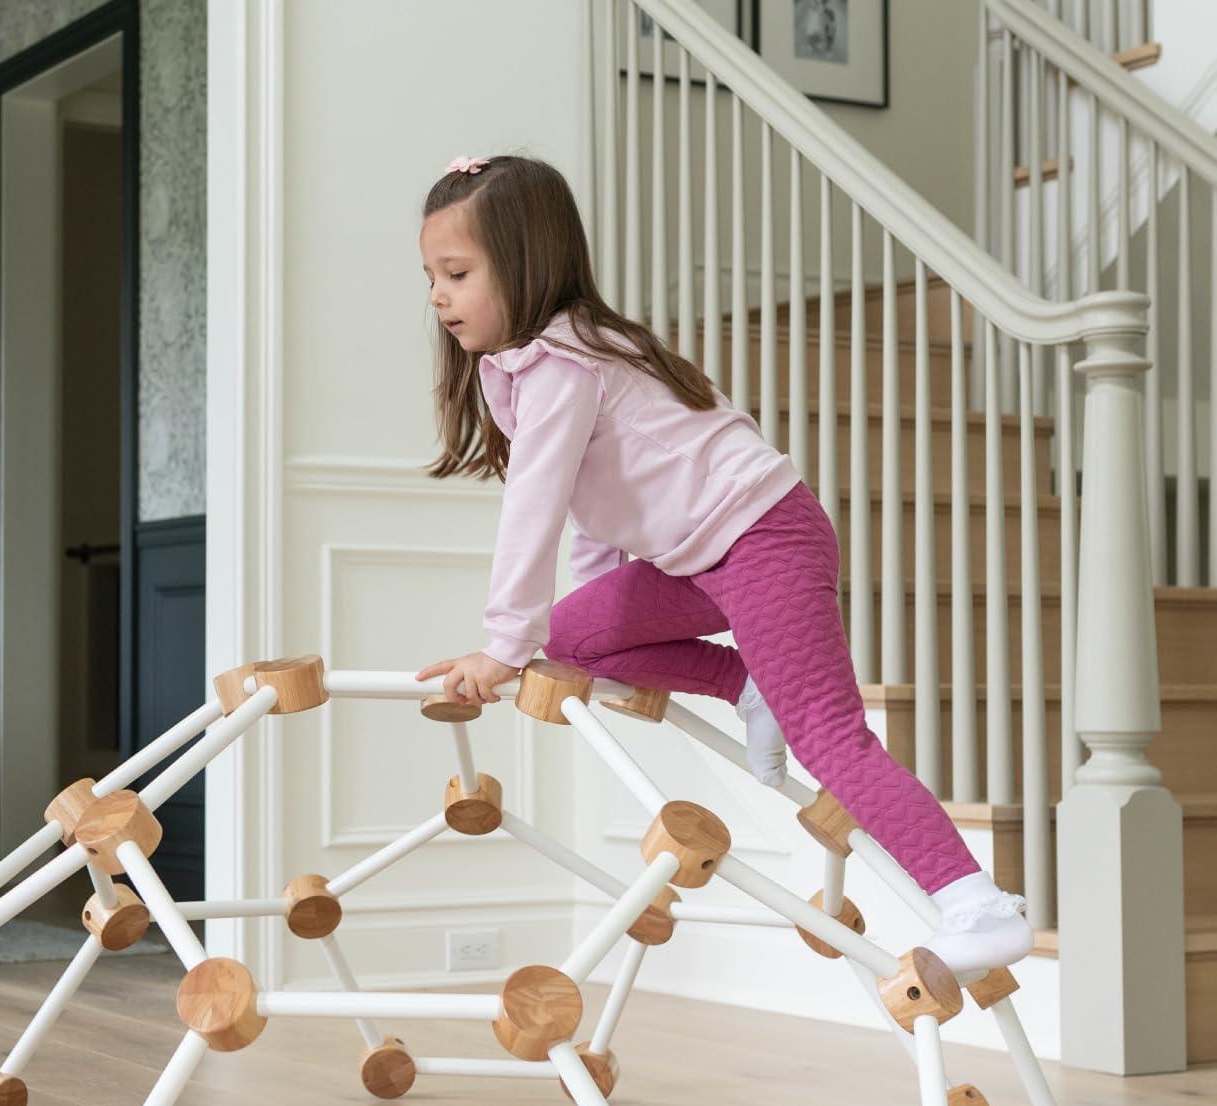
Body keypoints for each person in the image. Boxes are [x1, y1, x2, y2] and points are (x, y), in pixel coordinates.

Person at [413, 153, 1031, 975]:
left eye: (457, 274)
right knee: (572, 639)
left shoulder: (567, 362)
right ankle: (747, 685)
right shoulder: (537, 365)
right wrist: (600, 618)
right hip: (697, 558)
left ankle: (978, 905)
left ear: (527, 264)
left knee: (830, 736)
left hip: (764, 537)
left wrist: (500, 646)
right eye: (431, 276)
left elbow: (533, 504)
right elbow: (584, 505)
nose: (438, 295)